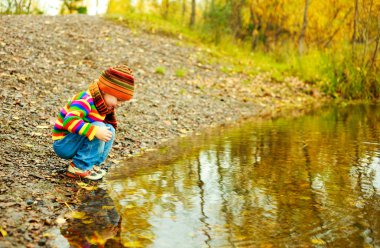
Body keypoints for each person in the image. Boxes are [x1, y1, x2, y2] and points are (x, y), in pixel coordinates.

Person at [52, 65, 134, 180]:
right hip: (64, 143)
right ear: (106, 90)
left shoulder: (102, 104)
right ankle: (78, 167)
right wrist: (95, 130)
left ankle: (91, 164)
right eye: (118, 100)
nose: (119, 104)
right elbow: (69, 122)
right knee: (99, 127)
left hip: (76, 141)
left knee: (109, 129)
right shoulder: (85, 99)